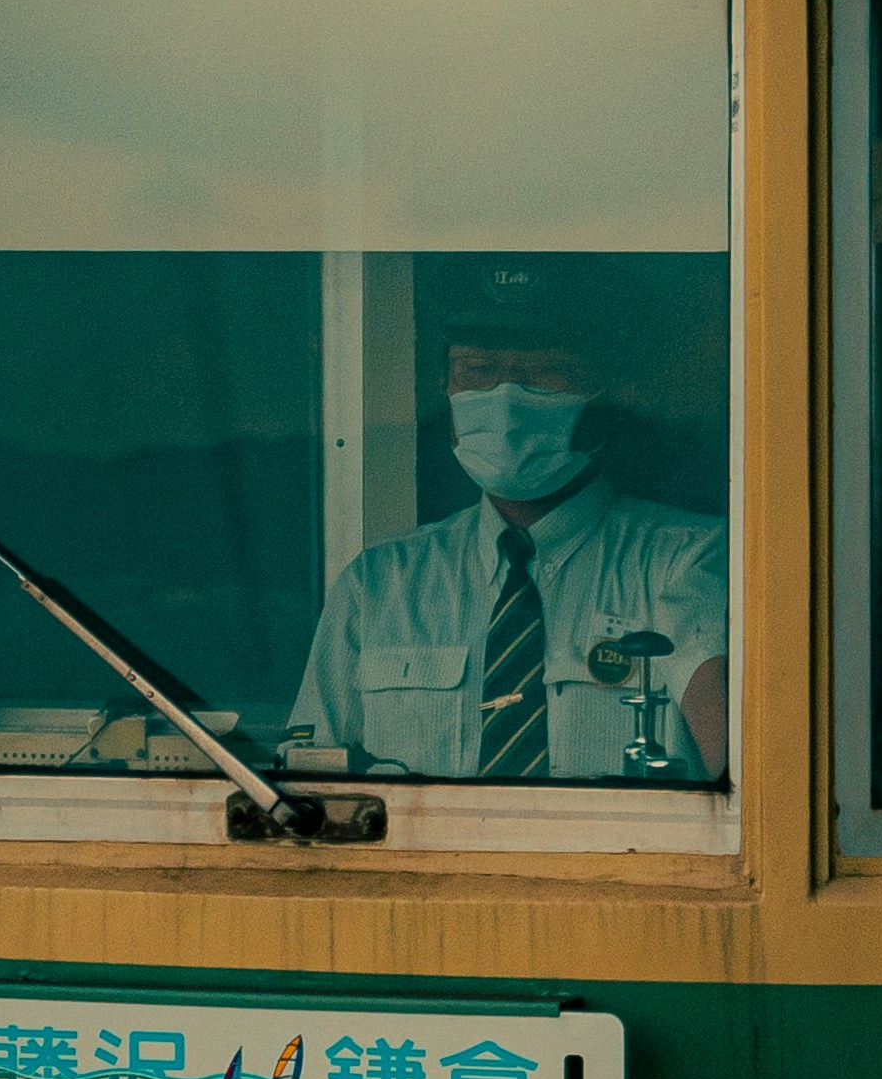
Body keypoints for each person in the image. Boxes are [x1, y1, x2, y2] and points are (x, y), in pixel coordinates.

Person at [284, 266, 729, 786]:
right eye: (476, 369)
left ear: (606, 399)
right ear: (445, 390)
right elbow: (309, 783)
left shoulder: (686, 560)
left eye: (546, 373)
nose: (505, 396)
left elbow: (744, 768)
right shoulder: (379, 585)